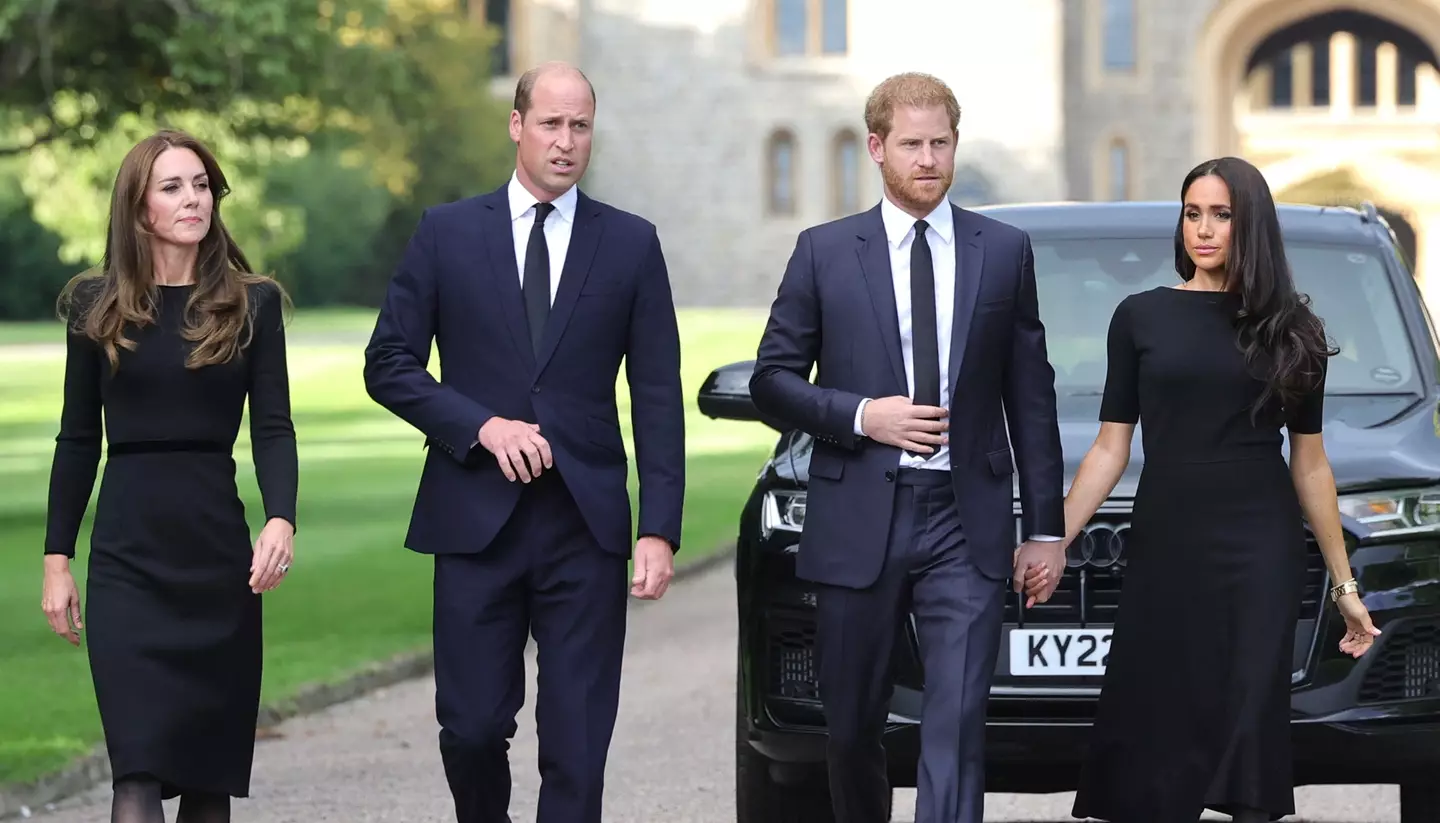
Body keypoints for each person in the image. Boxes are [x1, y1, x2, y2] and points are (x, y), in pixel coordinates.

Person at [362, 61, 685, 823]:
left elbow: (658, 396)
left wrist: (659, 528)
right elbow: (388, 363)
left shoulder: (632, 244)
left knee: (577, 746)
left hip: (586, 525)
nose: (566, 141)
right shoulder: (446, 233)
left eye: (580, 126)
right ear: (516, 125)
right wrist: (480, 425)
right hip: (474, 522)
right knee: (471, 729)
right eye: (551, 123)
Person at [749, 72, 1068, 823]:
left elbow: (1031, 395)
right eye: (911, 144)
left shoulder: (1003, 251)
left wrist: (1045, 529)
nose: (928, 158)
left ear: (956, 144)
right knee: (853, 723)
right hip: (860, 510)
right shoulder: (824, 252)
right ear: (877, 148)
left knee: (956, 721)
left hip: (967, 518)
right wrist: (864, 415)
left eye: (940, 143)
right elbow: (772, 381)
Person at [1045, 156, 1381, 823]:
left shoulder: (1293, 330)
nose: (1203, 229)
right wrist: (1054, 539)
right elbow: (1112, 446)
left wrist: (1344, 586)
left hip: (1260, 546)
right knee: (1159, 710)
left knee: (1250, 711)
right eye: (1193, 212)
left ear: (1248, 224)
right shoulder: (1138, 318)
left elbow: (1309, 463)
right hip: (1169, 538)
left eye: (1221, 215)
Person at [39, 129, 298, 823]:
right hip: (128, 560)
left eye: (202, 185)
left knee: (209, 781)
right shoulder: (95, 306)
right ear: (139, 207)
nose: (194, 199)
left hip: (218, 560)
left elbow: (274, 425)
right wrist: (56, 558)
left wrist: (281, 515)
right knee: (138, 772)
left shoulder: (254, 303)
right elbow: (75, 438)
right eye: (173, 186)